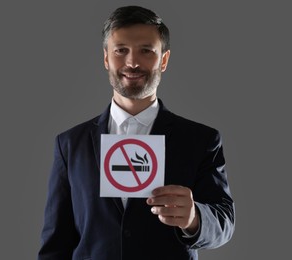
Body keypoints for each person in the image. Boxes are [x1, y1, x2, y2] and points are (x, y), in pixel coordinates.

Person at [38, 5, 235, 260]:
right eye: (121, 51)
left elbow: (225, 222)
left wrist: (194, 218)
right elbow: (56, 243)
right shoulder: (70, 144)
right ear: (106, 58)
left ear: (163, 60)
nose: (132, 62)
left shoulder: (201, 140)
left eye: (146, 51)